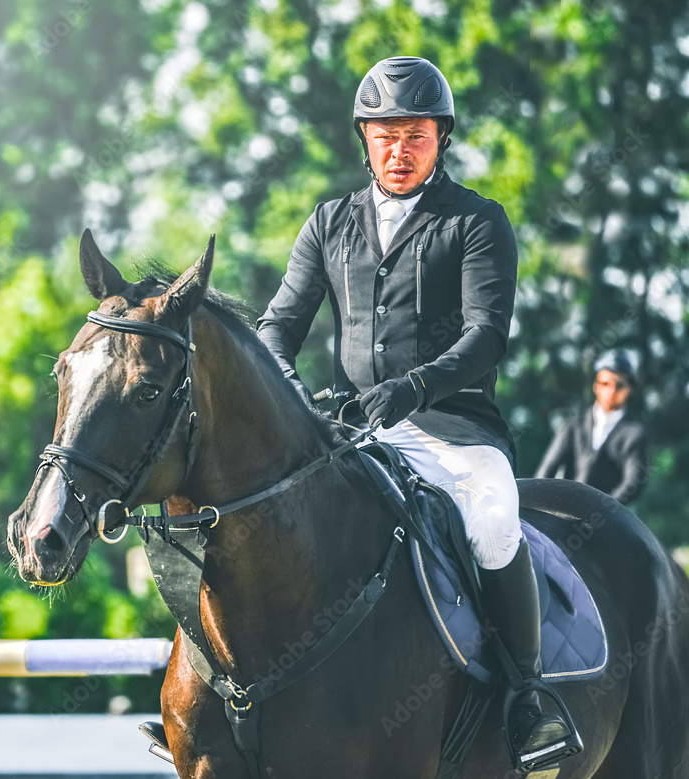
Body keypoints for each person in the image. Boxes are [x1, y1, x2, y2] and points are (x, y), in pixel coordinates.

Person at [256, 56, 577, 768]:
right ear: (364, 139)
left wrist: (413, 388)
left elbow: (485, 335)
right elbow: (277, 325)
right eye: (385, 136)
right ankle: (233, 699)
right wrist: (288, 386)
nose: (398, 152)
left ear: (441, 141)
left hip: (455, 428)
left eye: (415, 137)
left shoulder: (477, 222)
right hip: (353, 432)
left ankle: (526, 700)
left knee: (494, 520)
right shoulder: (328, 222)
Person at [535, 349, 649, 504]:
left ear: (630, 389)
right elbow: (547, 469)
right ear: (596, 386)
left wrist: (603, 510)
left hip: (610, 517)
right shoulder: (573, 426)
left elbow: (633, 482)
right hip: (566, 509)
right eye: (605, 383)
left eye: (619, 385)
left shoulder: (634, 434)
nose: (612, 391)